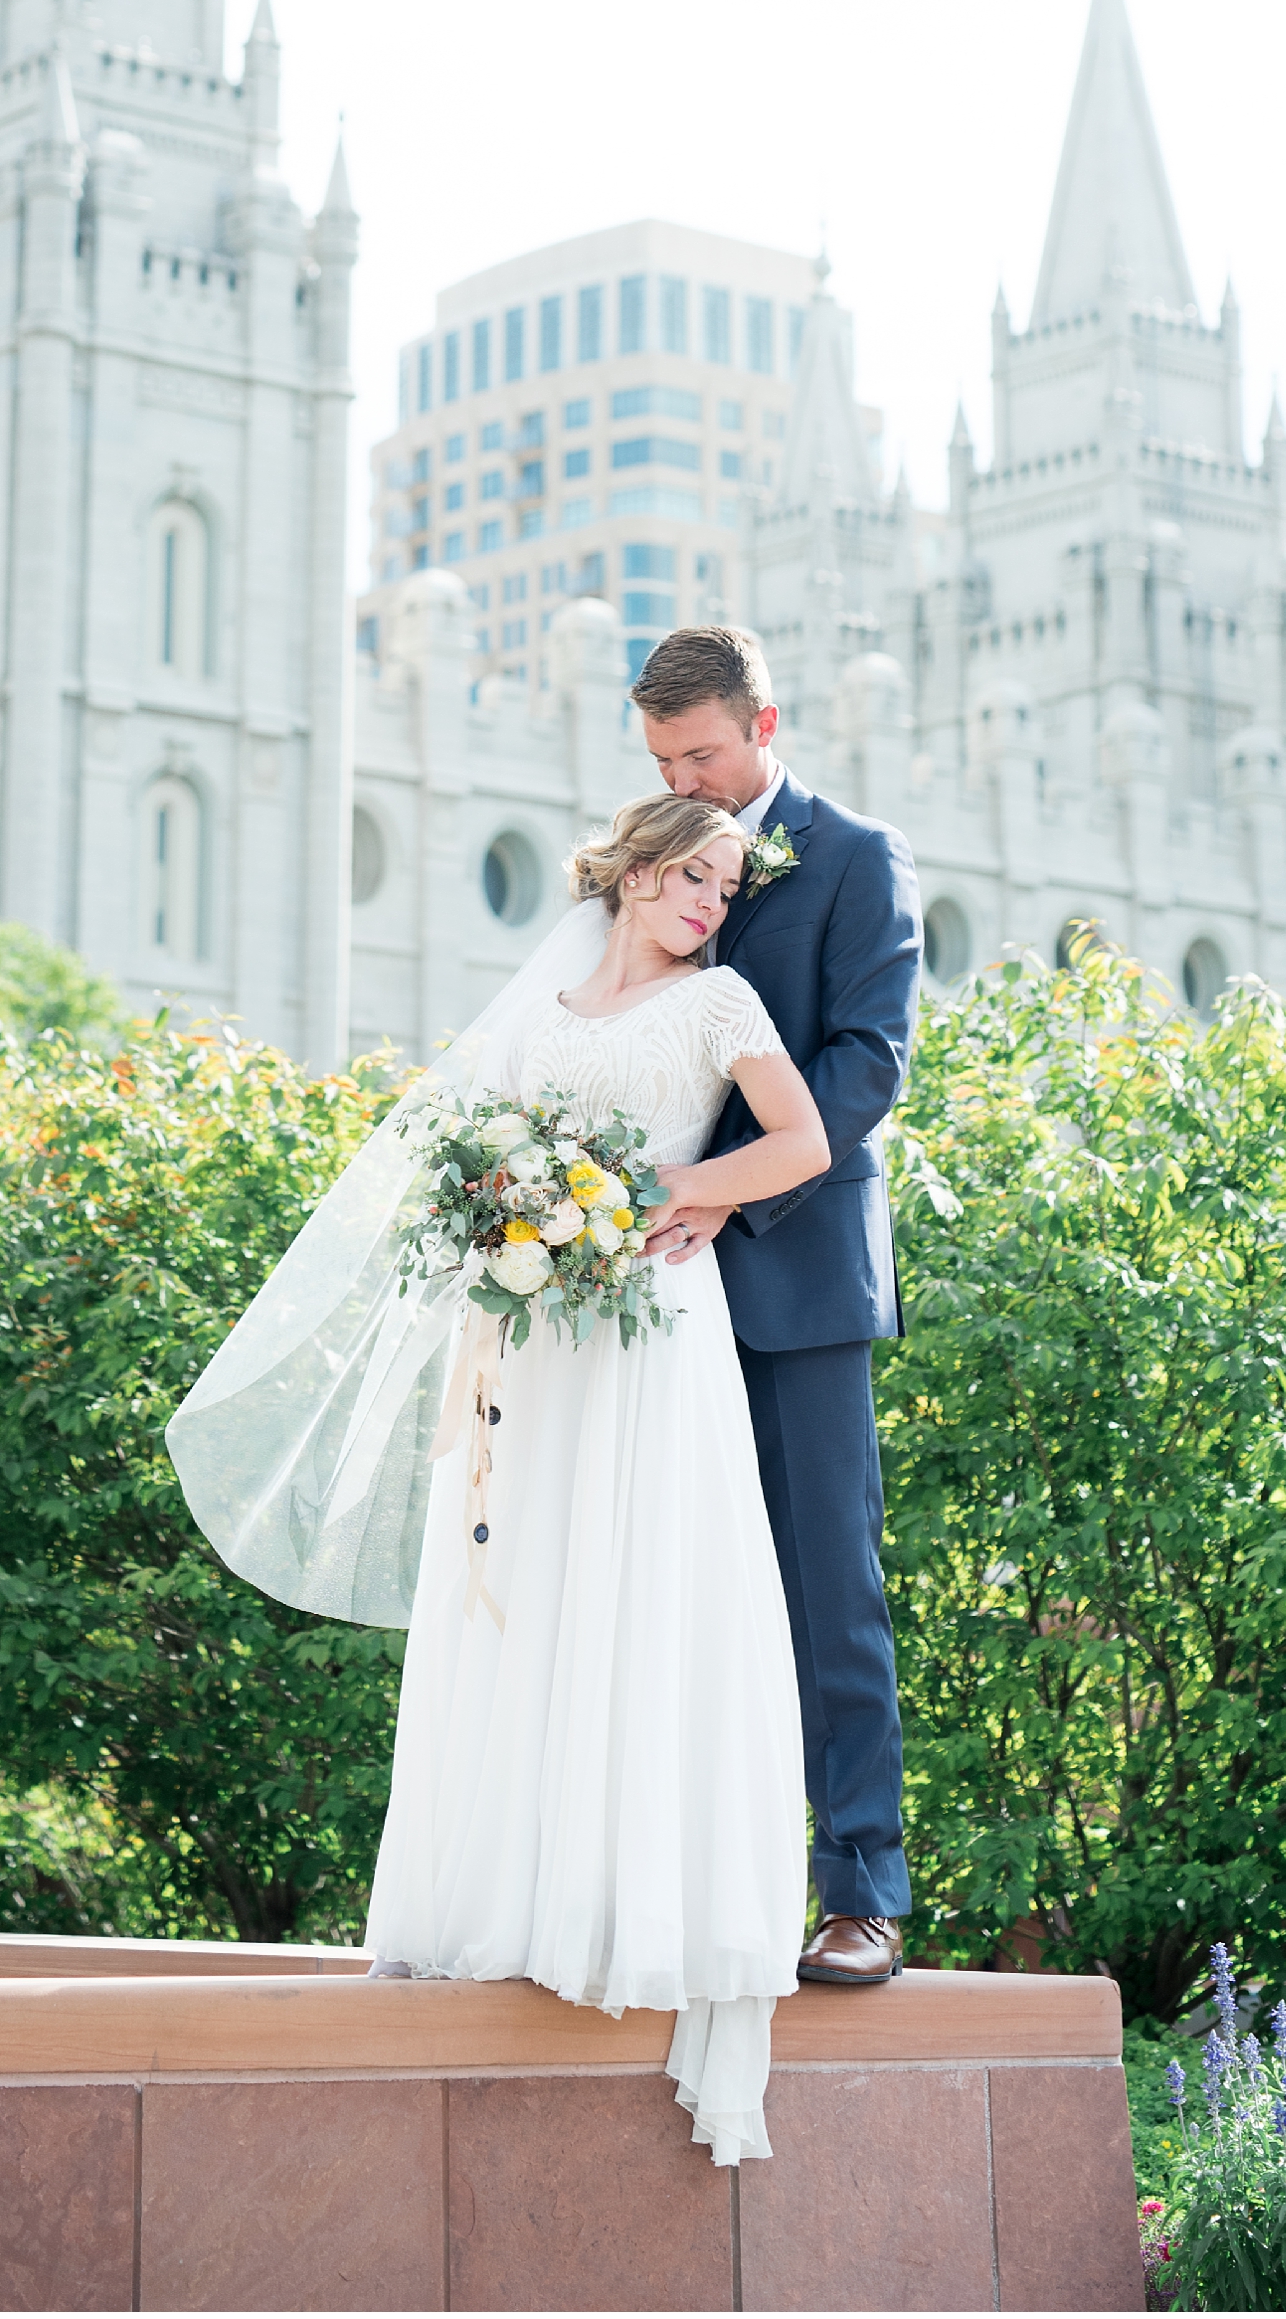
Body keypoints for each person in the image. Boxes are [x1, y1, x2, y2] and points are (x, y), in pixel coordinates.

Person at [167, 788, 829, 2166]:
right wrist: (514, 1222)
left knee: (636, 1591)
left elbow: (804, 1143)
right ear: (636, 874)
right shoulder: (538, 1012)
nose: (714, 900)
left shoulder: (723, 1008)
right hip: (536, 1342)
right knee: (521, 1592)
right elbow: (469, 1163)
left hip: (652, 1339)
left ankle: (629, 1913)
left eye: (727, 883)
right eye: (695, 877)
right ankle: (509, 1904)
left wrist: (671, 1191)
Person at [631, 623, 923, 1988]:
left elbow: (864, 1069)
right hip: (651, 1295)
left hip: (801, 1277)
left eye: (703, 751)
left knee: (830, 1588)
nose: (686, 778)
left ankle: (862, 1890)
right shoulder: (654, 854)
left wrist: (717, 1190)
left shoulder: (857, 856)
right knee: (673, 1587)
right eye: (662, 758)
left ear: (765, 722)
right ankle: (697, 1887)